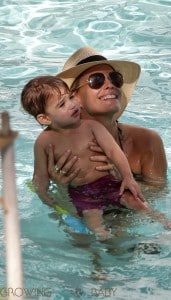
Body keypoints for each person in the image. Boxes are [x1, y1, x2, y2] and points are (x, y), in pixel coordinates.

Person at [21, 75, 149, 240]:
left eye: (71, 97)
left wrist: (128, 177)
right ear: (45, 118)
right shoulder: (43, 143)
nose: (72, 104)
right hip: (81, 192)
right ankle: (104, 238)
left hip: (108, 182)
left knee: (136, 201)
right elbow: (40, 178)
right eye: (62, 104)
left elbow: (114, 151)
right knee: (92, 219)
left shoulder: (91, 126)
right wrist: (52, 203)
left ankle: (162, 221)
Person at [47, 46, 167, 190]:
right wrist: (60, 189)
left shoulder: (146, 142)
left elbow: (159, 196)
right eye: (96, 80)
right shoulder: (59, 151)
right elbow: (53, 207)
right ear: (74, 98)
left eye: (115, 79)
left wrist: (119, 179)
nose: (110, 85)